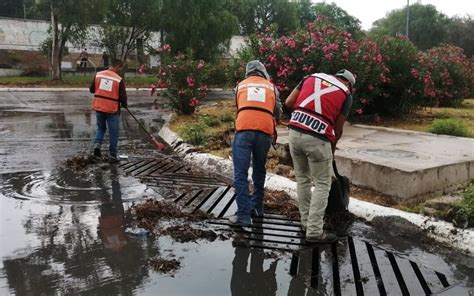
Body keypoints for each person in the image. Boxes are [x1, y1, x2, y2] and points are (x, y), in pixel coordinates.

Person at [285, 69, 355, 244]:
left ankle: (305, 223)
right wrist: (332, 148)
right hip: (317, 139)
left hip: (294, 133)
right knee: (323, 184)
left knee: (303, 180)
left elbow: (288, 102)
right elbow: (337, 129)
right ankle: (315, 231)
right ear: (348, 83)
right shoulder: (346, 93)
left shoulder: (310, 77)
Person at [229, 60, 282, 226]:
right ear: (263, 72)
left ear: (247, 73)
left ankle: (243, 216)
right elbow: (278, 111)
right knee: (259, 169)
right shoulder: (272, 87)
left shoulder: (240, 86)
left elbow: (239, 107)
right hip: (265, 131)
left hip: (244, 129)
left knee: (241, 173)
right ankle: (257, 208)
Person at [90, 58, 128, 162]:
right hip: (112, 109)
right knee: (113, 132)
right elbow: (123, 97)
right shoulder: (118, 79)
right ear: (117, 67)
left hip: (99, 106)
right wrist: (124, 105)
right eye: (120, 68)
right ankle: (112, 155)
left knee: (101, 128)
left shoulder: (99, 74)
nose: (120, 70)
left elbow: (92, 89)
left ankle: (97, 145)